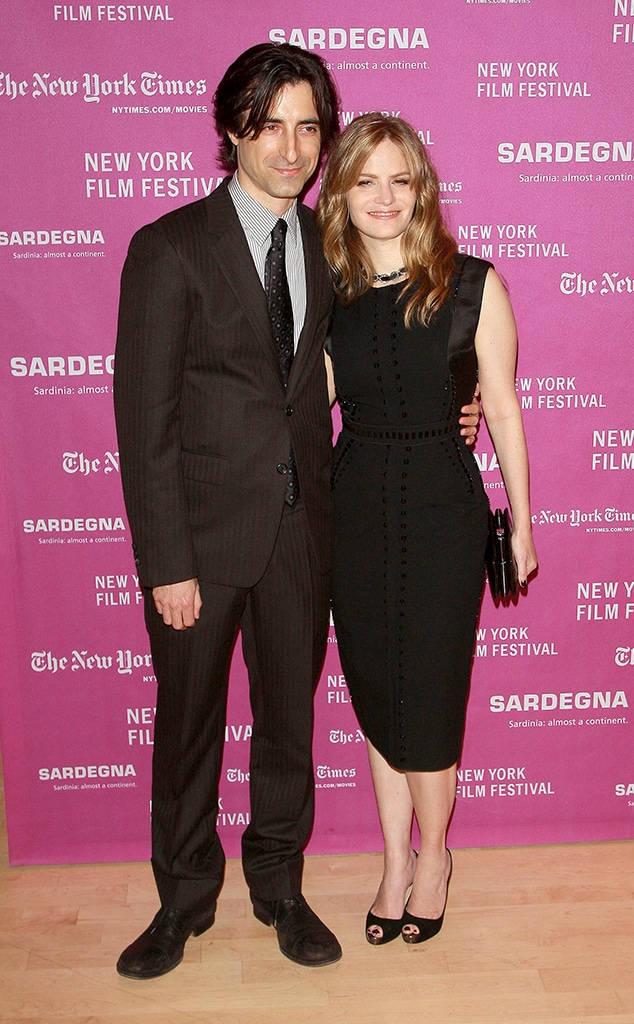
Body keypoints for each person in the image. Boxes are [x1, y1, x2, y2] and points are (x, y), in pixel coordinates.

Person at [114, 44, 480, 977]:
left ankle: (279, 887)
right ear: (232, 127)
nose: (291, 146)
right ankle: (182, 902)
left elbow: (395, 346)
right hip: (198, 538)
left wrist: (459, 403)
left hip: (306, 534)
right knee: (189, 727)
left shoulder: (333, 245)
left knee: (289, 729)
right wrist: (165, 561)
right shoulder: (168, 248)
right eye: (269, 124)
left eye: (309, 126)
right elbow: (144, 418)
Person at [316, 114, 537, 946]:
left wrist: (521, 523)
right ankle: (392, 862)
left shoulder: (472, 284)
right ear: (341, 191)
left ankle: (436, 856)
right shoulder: (328, 296)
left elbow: (505, 409)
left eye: (398, 179)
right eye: (364, 179)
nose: (382, 197)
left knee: (432, 698)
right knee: (377, 694)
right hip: (356, 509)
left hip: (446, 510)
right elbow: (312, 405)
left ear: (423, 189)